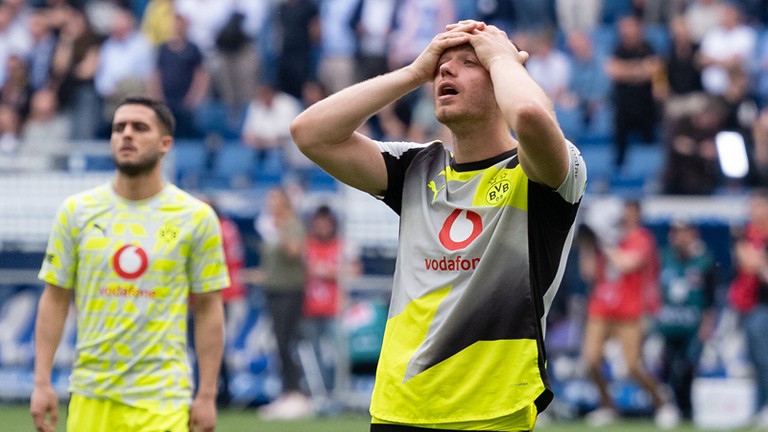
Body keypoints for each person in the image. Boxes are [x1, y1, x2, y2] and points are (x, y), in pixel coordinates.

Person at [291, 19, 587, 431]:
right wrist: (414, 72)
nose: (445, 70)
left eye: (470, 62)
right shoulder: (418, 166)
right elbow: (309, 133)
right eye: (442, 64)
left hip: (491, 414)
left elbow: (531, 114)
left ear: (504, 79)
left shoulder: (539, 175)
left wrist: (502, 57)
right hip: (398, 408)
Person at [30, 97, 229, 432]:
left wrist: (207, 394)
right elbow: (55, 298)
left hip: (163, 397)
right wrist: (41, 382)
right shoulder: (77, 211)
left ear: (166, 143)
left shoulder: (195, 217)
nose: (126, 135)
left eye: (139, 128)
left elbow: (209, 308)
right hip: (91, 394)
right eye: (118, 128)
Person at [582, 200, 679, 428]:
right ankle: (606, 406)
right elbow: (588, 273)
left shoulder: (642, 239)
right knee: (591, 361)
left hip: (629, 312)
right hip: (601, 308)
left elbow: (626, 263)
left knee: (633, 366)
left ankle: (662, 404)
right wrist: (587, 243)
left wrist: (604, 241)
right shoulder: (608, 240)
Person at [249, 187, 311, 420]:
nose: (270, 203)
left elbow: (294, 252)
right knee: (279, 343)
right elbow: (270, 266)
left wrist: (280, 229)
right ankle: (286, 391)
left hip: (290, 291)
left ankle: (296, 392)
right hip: (273, 290)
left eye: (274, 199)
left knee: (287, 341)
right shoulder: (268, 226)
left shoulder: (291, 225)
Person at [657, 218, 718, 420]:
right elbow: (654, 292)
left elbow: (710, 298)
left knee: (687, 371)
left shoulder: (705, 261)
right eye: (676, 232)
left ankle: (688, 412)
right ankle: (673, 409)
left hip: (692, 328)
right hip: (668, 326)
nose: (680, 237)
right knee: (668, 371)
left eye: (684, 232)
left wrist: (707, 326)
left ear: (693, 234)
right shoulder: (664, 258)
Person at [730, 190, 768, 427]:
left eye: (758, 206)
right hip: (746, 304)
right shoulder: (744, 233)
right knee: (755, 360)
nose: (752, 211)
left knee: (764, 359)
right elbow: (747, 261)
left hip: (763, 304)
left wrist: (757, 261)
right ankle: (759, 406)